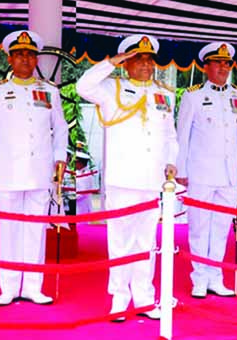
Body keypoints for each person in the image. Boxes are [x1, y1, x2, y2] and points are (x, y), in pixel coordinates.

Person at [76, 34, 178, 321]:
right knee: (120, 241)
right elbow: (82, 86)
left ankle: (144, 298)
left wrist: (172, 161)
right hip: (122, 178)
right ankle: (120, 299)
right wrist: (110, 63)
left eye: (149, 59)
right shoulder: (111, 88)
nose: (146, 64)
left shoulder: (165, 94)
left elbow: (170, 135)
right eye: (138, 58)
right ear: (127, 62)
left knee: (146, 242)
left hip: (151, 180)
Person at [0, 30, 68, 306]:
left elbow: (60, 129)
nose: (26, 59)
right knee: (10, 229)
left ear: (36, 58)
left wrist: (60, 157)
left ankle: (34, 285)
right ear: (10, 59)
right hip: (9, 171)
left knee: (36, 229)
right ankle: (9, 287)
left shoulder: (50, 92)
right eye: (20, 54)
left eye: (30, 54)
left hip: (40, 170)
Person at [176, 42, 237, 299]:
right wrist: (181, 168)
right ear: (206, 66)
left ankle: (215, 277)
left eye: (227, 63)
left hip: (229, 175)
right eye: (218, 63)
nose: (224, 67)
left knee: (221, 227)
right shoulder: (193, 95)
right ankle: (199, 278)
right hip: (201, 172)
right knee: (199, 226)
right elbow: (182, 135)